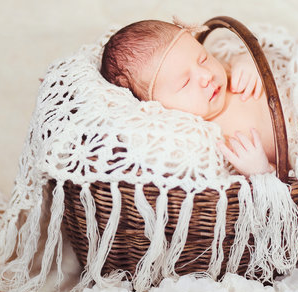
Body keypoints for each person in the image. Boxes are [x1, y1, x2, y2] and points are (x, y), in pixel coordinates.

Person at [100, 19, 276, 176]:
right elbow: (283, 180)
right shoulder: (206, 139)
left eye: (203, 59)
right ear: (157, 109)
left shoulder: (228, 74)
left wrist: (249, 62)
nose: (206, 75)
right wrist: (261, 171)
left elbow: (274, 61)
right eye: (185, 82)